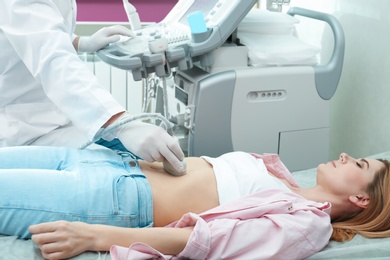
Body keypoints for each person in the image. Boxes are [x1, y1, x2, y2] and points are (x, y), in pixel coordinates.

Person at [0, 146, 390, 260]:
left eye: (358, 163)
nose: (344, 156)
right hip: (100, 160)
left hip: (108, 199)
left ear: (361, 198)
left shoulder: (307, 223)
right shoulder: (285, 178)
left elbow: (204, 239)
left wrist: (94, 235)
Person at [0, 0, 185, 173]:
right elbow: (54, 60)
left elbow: (40, 28)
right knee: (137, 172)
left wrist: (81, 42)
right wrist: (121, 125)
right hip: (25, 130)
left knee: (150, 164)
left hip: (54, 118)